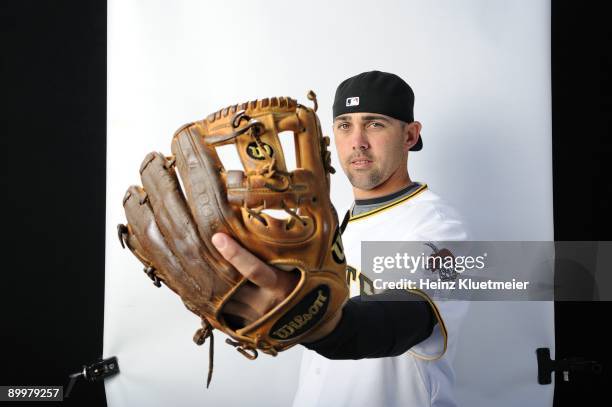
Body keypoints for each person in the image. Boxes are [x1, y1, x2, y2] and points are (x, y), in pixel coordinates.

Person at [211, 70, 470, 406]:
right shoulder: (331, 224)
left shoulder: (441, 228)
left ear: (409, 135)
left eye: (375, 123)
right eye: (345, 125)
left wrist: (311, 316)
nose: (357, 141)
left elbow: (392, 321)